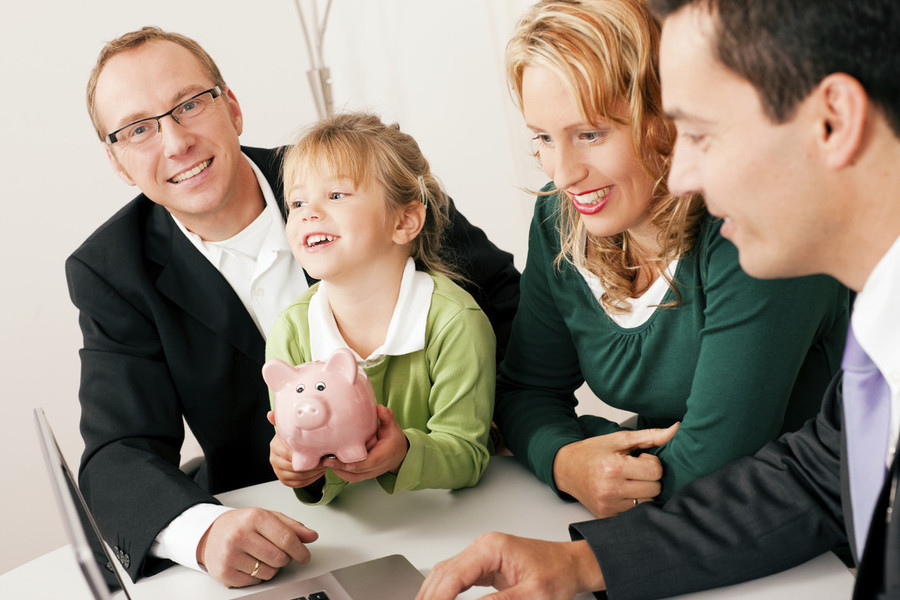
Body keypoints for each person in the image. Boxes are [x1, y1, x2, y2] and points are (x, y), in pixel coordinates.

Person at [416, 0, 900, 598]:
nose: (683, 173)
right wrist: (578, 548)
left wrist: (602, 466)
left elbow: (742, 471)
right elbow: (815, 480)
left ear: (833, 121)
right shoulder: (879, 339)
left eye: (701, 133)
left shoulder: (757, 247)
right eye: (542, 138)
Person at [66, 27, 520, 588]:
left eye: (189, 105)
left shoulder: (357, 175)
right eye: (138, 129)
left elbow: (510, 310)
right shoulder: (110, 269)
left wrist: (498, 431)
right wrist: (205, 534)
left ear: (232, 108)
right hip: (285, 541)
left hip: (453, 505)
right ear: (116, 161)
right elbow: (118, 452)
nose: (176, 142)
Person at [493, 0, 848, 519]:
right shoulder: (561, 218)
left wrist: (604, 458)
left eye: (590, 134)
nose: (563, 173)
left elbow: (713, 465)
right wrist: (568, 462)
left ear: (664, 115)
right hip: (678, 527)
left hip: (816, 530)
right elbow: (526, 389)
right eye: (544, 138)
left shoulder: (747, 226)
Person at [265, 112, 495, 505]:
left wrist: (402, 453)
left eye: (336, 195)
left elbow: (467, 454)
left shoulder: (455, 323)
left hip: (445, 515)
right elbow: (306, 461)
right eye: (297, 202)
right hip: (352, 525)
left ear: (404, 221)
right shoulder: (290, 330)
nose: (307, 213)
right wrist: (298, 470)